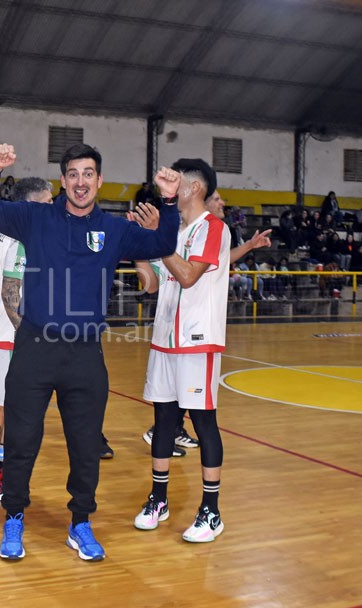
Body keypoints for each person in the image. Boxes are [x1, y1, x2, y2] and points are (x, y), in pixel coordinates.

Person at [0, 143, 178, 562]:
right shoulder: (35, 218)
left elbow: (164, 241)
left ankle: (80, 522)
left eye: (88, 174)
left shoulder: (115, 229)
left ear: (98, 181)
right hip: (34, 347)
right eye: (73, 174)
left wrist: (169, 200)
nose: (80, 182)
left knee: (85, 446)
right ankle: (14, 517)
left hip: (85, 354)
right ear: (62, 181)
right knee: (23, 440)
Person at [132, 158, 231, 544]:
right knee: (164, 421)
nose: (168, 187)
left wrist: (160, 237)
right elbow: (151, 285)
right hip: (164, 339)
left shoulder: (214, 228)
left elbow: (188, 276)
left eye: (176, 182)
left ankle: (211, 511)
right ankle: (158, 499)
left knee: (204, 424)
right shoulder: (171, 229)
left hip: (197, 341)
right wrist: (141, 242)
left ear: (192, 188)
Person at [137, 190, 271, 449]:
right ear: (202, 199)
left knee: (183, 401)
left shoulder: (209, 233)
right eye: (217, 198)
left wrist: (248, 246)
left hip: (185, 331)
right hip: (185, 330)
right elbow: (177, 275)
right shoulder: (188, 231)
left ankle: (169, 430)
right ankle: (165, 431)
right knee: (193, 407)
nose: (222, 203)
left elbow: (215, 262)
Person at [0, 176, 52, 502]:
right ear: (32, 204)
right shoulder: (20, 238)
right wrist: (28, 333)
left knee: (1, 404)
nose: (53, 208)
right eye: (48, 203)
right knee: (2, 406)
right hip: (6, 336)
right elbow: (11, 295)